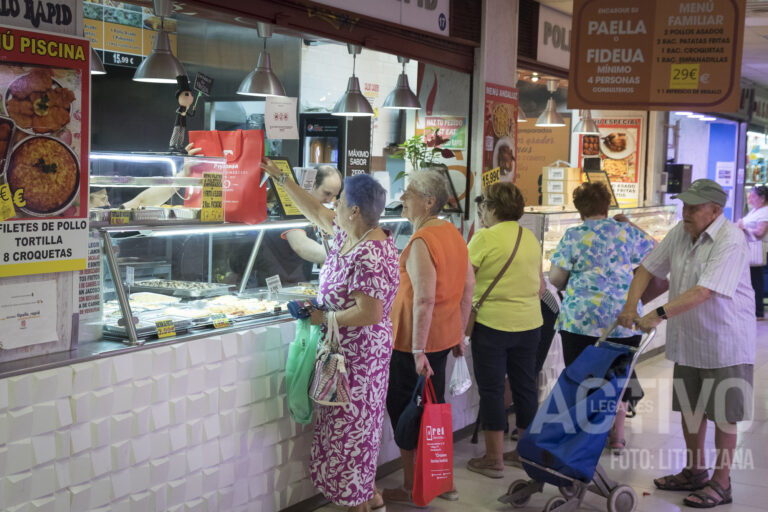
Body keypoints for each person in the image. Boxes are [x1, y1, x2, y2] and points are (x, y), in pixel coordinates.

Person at [261, 157, 399, 512]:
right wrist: (283, 179)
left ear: (353, 210)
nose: (331, 206)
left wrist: (326, 317)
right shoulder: (348, 234)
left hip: (361, 360)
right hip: (341, 354)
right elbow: (314, 213)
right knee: (342, 431)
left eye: (338, 202)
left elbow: (371, 312)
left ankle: (358, 503)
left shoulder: (371, 251)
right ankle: (369, 499)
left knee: (352, 433)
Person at [618, 179, 755, 509]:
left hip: (726, 341)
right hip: (690, 339)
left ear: (715, 211)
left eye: (694, 207)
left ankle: (722, 484)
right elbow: (647, 268)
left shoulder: (731, 240)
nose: (686, 212)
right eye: (685, 205)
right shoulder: (681, 232)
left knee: (724, 414)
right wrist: (630, 306)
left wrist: (658, 313)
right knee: (691, 409)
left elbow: (704, 290)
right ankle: (695, 472)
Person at [382, 169, 475, 506]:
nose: (403, 198)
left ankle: (411, 486)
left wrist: (418, 349)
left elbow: (424, 297)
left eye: (409, 193)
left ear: (429, 200)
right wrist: (460, 334)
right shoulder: (453, 233)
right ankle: (440, 481)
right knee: (432, 411)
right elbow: (468, 290)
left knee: (409, 413)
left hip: (411, 344)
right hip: (442, 338)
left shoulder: (422, 241)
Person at [548, 182, 655, 454]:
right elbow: (657, 255)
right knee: (620, 377)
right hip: (623, 318)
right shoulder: (624, 232)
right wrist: (630, 224)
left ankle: (586, 436)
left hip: (579, 321)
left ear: (579, 209)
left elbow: (556, 278)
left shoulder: (573, 235)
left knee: (582, 376)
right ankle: (617, 436)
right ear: (607, 207)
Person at [465, 182, 544, 479]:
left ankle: (494, 458)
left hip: (492, 325)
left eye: (483, 207)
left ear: (493, 208)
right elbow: (540, 286)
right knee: (525, 388)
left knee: (493, 390)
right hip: (530, 325)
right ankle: (523, 453)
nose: (482, 213)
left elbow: (465, 283)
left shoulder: (484, 239)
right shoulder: (530, 237)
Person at [737, 185, 768, 318]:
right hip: (750, 250)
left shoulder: (765, 212)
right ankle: (753, 309)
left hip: (759, 252)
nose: (750, 198)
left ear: (762, 199)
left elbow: (761, 232)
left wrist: (744, 229)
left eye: (753, 196)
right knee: (753, 280)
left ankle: (758, 311)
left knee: (756, 281)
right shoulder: (755, 210)